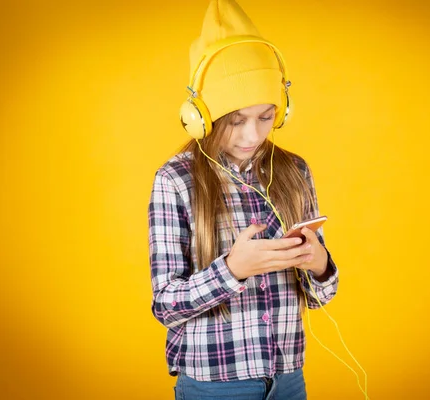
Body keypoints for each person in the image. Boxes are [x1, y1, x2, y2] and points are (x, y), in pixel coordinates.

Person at [148, 1, 339, 398]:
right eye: (235, 121)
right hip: (216, 386)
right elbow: (165, 305)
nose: (252, 135)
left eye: (266, 116)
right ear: (200, 115)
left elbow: (321, 295)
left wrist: (319, 263)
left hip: (288, 380)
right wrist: (233, 269)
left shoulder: (295, 171)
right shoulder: (175, 180)